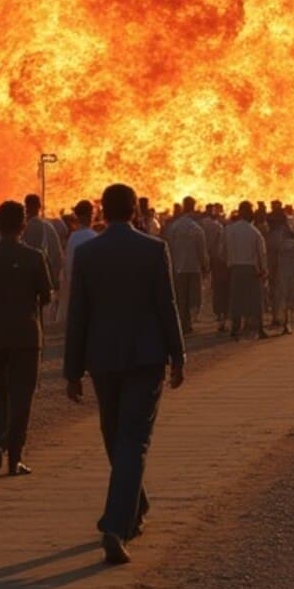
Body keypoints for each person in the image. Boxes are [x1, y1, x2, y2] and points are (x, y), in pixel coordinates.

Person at [63, 183, 186, 564]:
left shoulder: (86, 253)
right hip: (145, 357)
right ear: (135, 210)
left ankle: (122, 516)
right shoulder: (153, 249)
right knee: (130, 441)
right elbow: (167, 304)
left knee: (117, 436)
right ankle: (122, 519)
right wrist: (178, 354)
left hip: (103, 359)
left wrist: (72, 370)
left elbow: (77, 314)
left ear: (103, 211)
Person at [0, 200, 54, 476]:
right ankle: (13, 456)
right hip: (27, 335)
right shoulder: (35, 257)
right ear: (23, 225)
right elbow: (47, 295)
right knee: (22, 396)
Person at [162, 198, 209, 334]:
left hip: (178, 267)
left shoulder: (174, 227)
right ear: (193, 207)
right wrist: (205, 265)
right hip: (193, 267)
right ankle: (188, 323)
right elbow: (202, 249)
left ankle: (182, 323)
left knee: (180, 297)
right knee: (194, 297)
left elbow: (168, 246)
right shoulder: (196, 228)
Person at [223, 201, 267, 340]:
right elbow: (262, 253)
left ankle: (235, 329)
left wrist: (228, 264)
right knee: (255, 300)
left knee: (236, 300)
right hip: (251, 270)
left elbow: (222, 250)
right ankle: (259, 329)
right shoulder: (254, 232)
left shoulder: (229, 230)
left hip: (235, 269)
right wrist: (264, 270)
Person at [267, 211, 294, 334]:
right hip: (287, 271)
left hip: (279, 271)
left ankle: (281, 320)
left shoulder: (273, 235)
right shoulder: (289, 238)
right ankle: (285, 322)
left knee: (280, 296)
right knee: (286, 297)